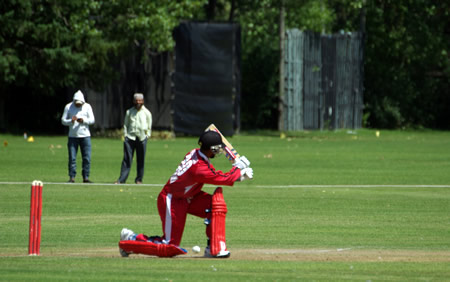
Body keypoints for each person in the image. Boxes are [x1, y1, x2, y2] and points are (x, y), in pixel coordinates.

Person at [119, 130, 253, 258]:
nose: (219, 151)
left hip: (190, 196)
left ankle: (213, 248)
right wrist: (237, 169)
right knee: (169, 245)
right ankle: (131, 239)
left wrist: (239, 175)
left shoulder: (196, 153)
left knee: (215, 206)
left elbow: (214, 174)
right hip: (172, 199)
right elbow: (221, 178)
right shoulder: (198, 168)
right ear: (211, 149)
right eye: (217, 149)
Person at [115, 93, 152, 184]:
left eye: (140, 100)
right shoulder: (129, 112)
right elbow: (125, 125)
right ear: (133, 101)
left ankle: (139, 179)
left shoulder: (147, 113)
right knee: (127, 159)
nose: (138, 102)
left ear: (143, 101)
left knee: (141, 160)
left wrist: (147, 136)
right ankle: (121, 179)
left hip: (142, 138)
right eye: (136, 100)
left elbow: (149, 126)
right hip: (130, 138)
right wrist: (125, 135)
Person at [61, 90, 95, 183]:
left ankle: (86, 177)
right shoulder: (68, 107)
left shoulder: (87, 107)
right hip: (72, 136)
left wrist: (83, 120)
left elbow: (92, 120)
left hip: (85, 136)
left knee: (87, 158)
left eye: (80, 103)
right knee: (72, 158)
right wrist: (70, 121)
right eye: (76, 103)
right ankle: (72, 177)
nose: (78, 105)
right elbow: (63, 120)